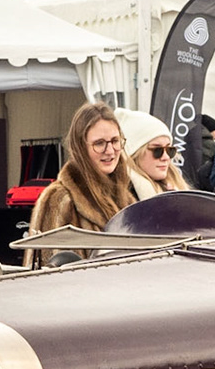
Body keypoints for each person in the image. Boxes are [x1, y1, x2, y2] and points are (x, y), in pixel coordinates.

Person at [28, 102, 137, 261]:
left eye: (115, 141)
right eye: (99, 143)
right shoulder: (59, 199)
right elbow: (50, 272)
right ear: (80, 147)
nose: (110, 150)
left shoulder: (126, 199)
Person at [116, 110, 188, 201]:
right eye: (157, 150)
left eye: (170, 150)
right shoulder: (121, 196)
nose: (165, 157)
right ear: (135, 153)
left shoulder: (175, 185)